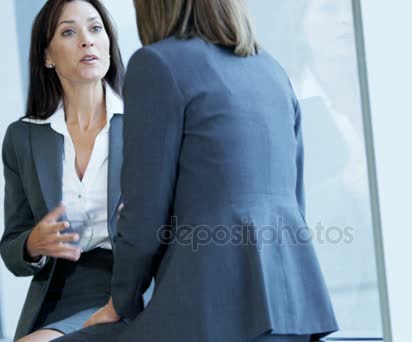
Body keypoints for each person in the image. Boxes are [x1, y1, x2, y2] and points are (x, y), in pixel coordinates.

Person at [58, 0, 338, 341]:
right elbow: (294, 201)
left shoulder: (157, 64)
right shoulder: (271, 70)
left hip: (209, 309)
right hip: (293, 308)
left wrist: (121, 302)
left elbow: (145, 214)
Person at [0, 0, 125, 340]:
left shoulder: (145, 122)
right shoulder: (23, 138)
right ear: (47, 57)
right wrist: (33, 244)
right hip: (58, 292)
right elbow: (12, 244)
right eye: (68, 31)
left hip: (130, 285)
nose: (87, 40)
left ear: (109, 44)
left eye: (95, 28)